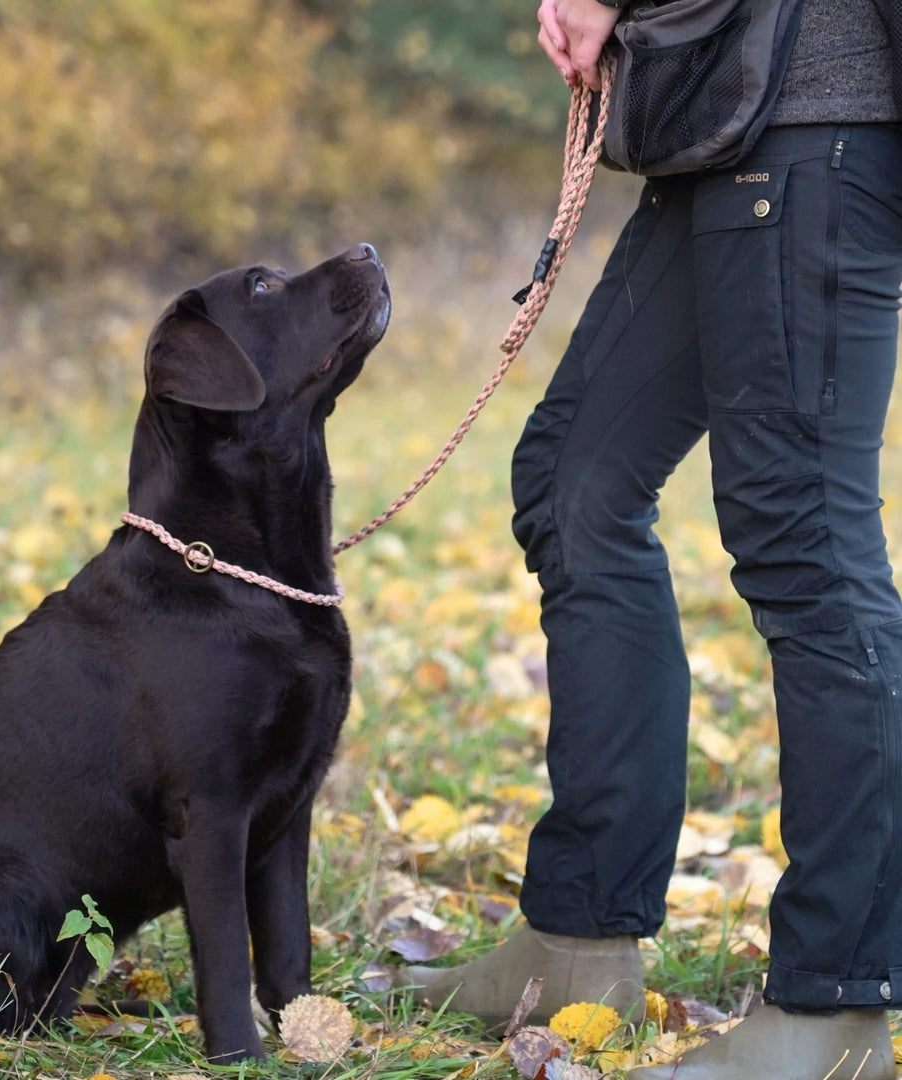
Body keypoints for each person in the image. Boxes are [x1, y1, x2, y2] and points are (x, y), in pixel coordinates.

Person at [398, 0, 902, 1076]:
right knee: (576, 479)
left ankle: (835, 1006)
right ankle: (579, 936)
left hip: (818, 112)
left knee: (805, 539)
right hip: (727, 113)